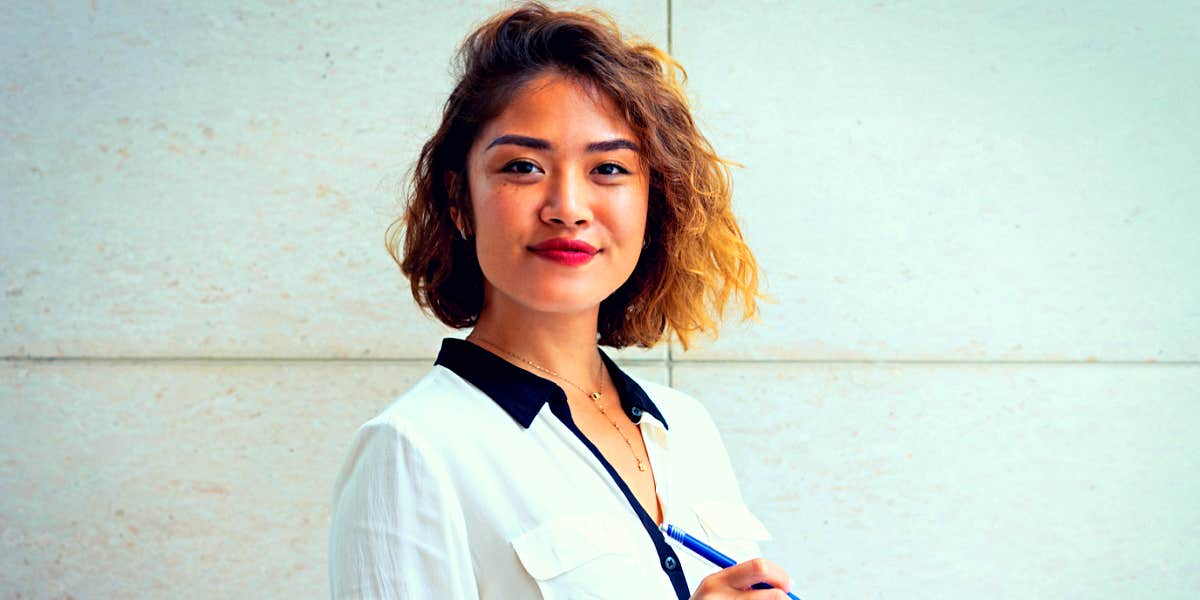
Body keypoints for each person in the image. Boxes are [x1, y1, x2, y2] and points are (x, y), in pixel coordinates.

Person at [329, 2, 794, 598]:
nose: (567, 207)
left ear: (655, 202)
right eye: (522, 166)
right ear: (458, 200)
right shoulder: (412, 450)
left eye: (608, 168)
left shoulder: (686, 427)